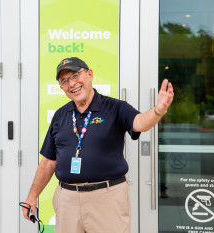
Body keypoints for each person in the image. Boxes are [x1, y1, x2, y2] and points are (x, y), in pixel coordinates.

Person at [22, 57, 174, 233]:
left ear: (89, 74)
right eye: (64, 81)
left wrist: (158, 110)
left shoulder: (115, 107)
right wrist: (32, 197)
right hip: (67, 199)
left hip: (107, 198)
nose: (71, 83)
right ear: (62, 88)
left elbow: (140, 123)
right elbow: (48, 162)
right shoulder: (60, 116)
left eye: (75, 75)